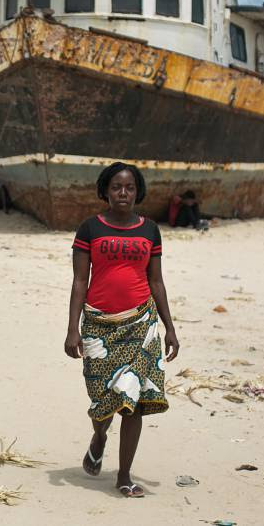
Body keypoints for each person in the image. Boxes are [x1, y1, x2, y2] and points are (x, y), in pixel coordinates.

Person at [65, 162, 178, 498]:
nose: (123, 193)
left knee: (135, 401)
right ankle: (99, 436)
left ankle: (124, 475)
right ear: (105, 191)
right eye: (116, 187)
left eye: (129, 188)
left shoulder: (150, 230)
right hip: (99, 326)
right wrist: (72, 329)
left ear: (137, 191)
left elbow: (156, 281)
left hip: (142, 325)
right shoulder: (90, 229)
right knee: (104, 399)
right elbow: (78, 281)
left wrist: (169, 327)